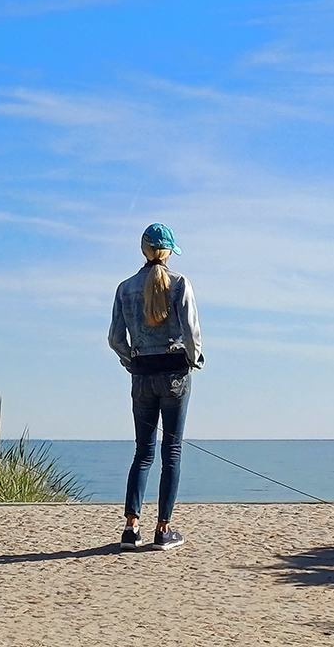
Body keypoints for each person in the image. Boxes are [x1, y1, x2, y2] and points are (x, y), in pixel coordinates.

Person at [107, 222, 203, 551]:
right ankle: (163, 529)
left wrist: (129, 360)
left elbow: (115, 338)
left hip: (142, 375)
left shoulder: (124, 288)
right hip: (175, 374)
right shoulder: (180, 284)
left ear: (144, 250)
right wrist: (195, 359)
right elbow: (191, 333)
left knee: (143, 453)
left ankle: (131, 528)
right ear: (168, 253)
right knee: (171, 453)